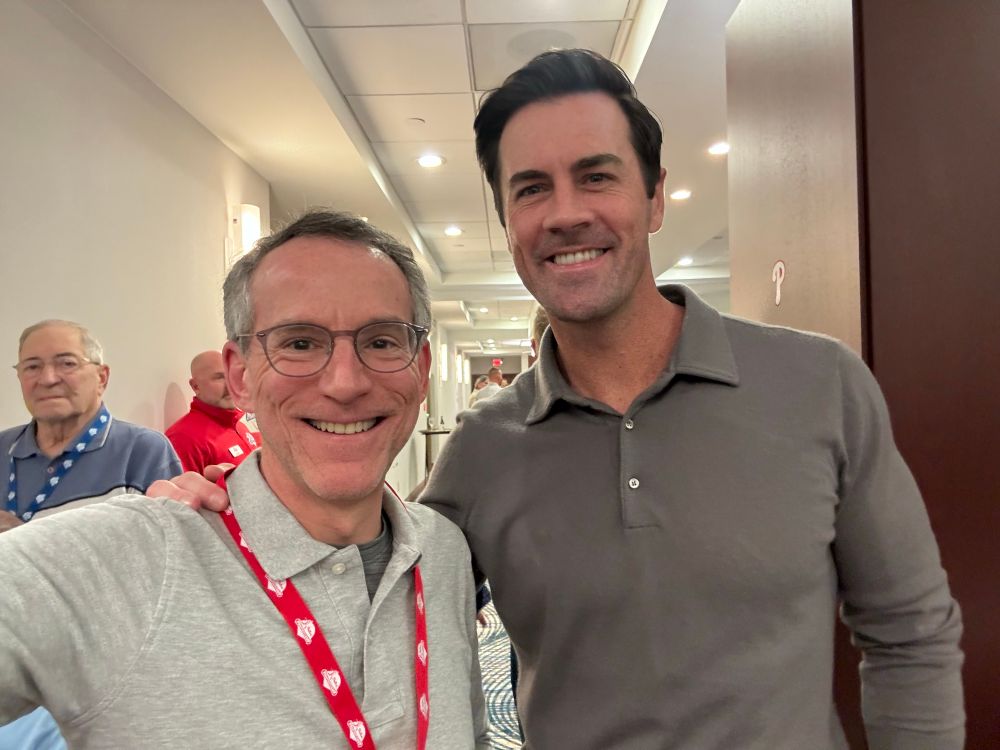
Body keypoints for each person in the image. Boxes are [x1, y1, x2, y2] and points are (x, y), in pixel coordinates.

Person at [146, 50, 964, 749]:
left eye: (596, 176)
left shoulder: (818, 385)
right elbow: (369, 591)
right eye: (531, 188)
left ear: (653, 196)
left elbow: (910, 633)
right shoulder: (483, 448)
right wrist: (230, 509)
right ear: (506, 217)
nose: (565, 213)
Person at [0, 212, 488, 748]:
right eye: (299, 343)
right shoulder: (123, 556)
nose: (345, 383)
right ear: (239, 377)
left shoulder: (443, 552)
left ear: (420, 370)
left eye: (381, 341)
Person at [0, 319, 183, 748]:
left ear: (101, 376)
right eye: (31, 366)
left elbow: (171, 571)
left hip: (101, 668)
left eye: (66, 363)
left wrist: (30, 541)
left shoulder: (144, 451)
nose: (47, 378)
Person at [166, 350, 260, 472]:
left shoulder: (240, 425)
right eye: (220, 378)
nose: (230, 385)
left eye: (232, 376)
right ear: (196, 386)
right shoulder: (182, 438)